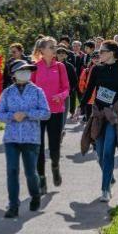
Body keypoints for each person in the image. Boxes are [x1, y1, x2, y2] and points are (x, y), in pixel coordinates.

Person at [0, 60, 51, 218]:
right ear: (14, 74)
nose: (25, 73)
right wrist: (12, 116)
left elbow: (46, 113)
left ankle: (35, 195)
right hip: (11, 138)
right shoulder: (7, 93)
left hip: (31, 138)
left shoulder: (37, 91)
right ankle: (13, 206)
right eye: (21, 70)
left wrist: (27, 114)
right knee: (12, 171)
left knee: (30, 172)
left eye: (27, 70)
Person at [79, 40, 118, 203]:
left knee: (109, 152)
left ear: (112, 53)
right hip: (98, 115)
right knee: (101, 154)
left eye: (102, 51)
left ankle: (105, 190)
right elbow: (89, 91)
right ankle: (110, 177)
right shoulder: (97, 69)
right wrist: (79, 108)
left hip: (114, 116)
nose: (99, 54)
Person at [31, 36, 70, 195]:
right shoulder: (34, 67)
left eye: (54, 47)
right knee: (38, 148)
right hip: (39, 113)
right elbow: (30, 89)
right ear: (42, 51)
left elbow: (67, 89)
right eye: (51, 47)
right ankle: (41, 179)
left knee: (54, 147)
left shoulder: (60, 67)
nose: (55, 49)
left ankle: (55, 166)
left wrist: (60, 96)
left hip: (56, 112)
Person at [56, 46, 79, 136]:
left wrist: (70, 91)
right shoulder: (52, 65)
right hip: (53, 95)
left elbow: (74, 80)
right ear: (56, 54)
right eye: (59, 53)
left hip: (65, 95)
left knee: (63, 115)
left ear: (66, 55)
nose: (61, 55)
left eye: (63, 53)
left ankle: (61, 131)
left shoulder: (70, 66)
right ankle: (57, 131)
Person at [78, 50, 100, 123]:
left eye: (98, 57)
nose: (96, 59)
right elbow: (81, 82)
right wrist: (84, 92)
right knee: (89, 120)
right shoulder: (86, 70)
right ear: (91, 59)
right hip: (89, 99)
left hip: (100, 100)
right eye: (94, 57)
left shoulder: (106, 69)